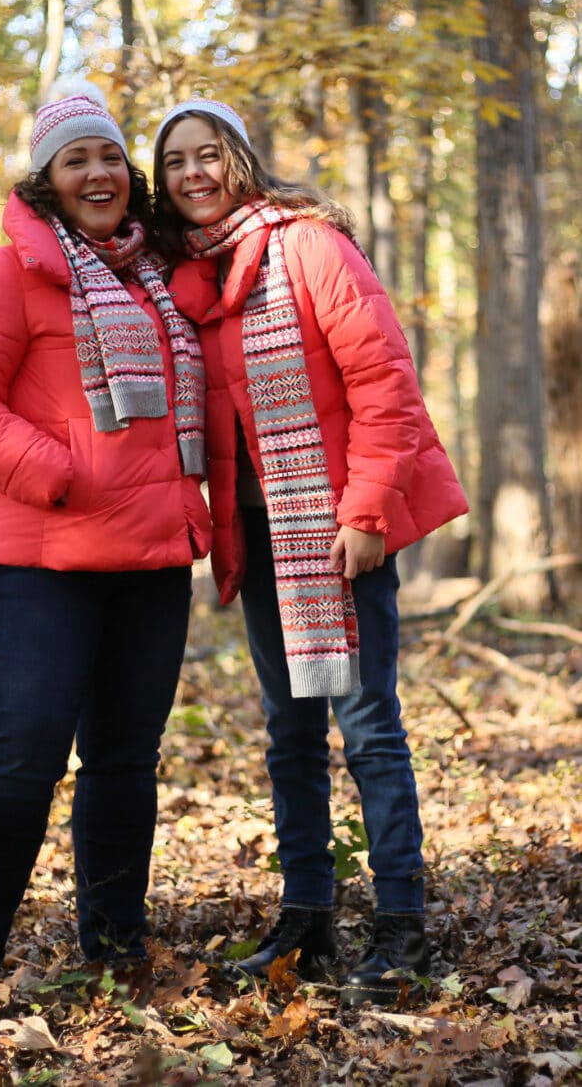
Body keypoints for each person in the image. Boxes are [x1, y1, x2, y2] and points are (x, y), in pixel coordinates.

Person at [152, 98, 469, 1008]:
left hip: (337, 529)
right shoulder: (191, 279)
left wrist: (367, 511)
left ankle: (400, 920)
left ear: (241, 158)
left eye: (208, 154)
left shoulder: (309, 247)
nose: (193, 174)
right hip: (259, 536)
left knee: (368, 729)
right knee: (289, 734)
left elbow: (385, 383)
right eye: (175, 162)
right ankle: (308, 915)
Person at [0, 82, 211, 1025]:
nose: (98, 173)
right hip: (42, 556)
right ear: (47, 178)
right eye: (75, 158)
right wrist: (59, 472)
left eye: (110, 159)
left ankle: (116, 950)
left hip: (151, 558)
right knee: (23, 756)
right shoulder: (3, 274)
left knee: (126, 759)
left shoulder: (154, 278)